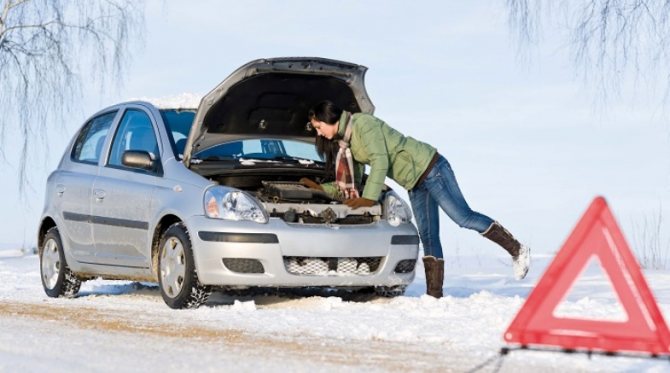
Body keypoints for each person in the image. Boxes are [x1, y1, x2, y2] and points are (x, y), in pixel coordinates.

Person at [301, 100, 530, 298]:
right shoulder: (347, 144)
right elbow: (354, 181)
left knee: (463, 217)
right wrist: (321, 188)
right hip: (414, 182)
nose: (319, 132)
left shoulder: (363, 124)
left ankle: (517, 249)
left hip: (431, 168)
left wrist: (370, 199)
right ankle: (434, 296)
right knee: (428, 235)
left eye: (319, 127)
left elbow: (380, 161)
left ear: (329, 119)